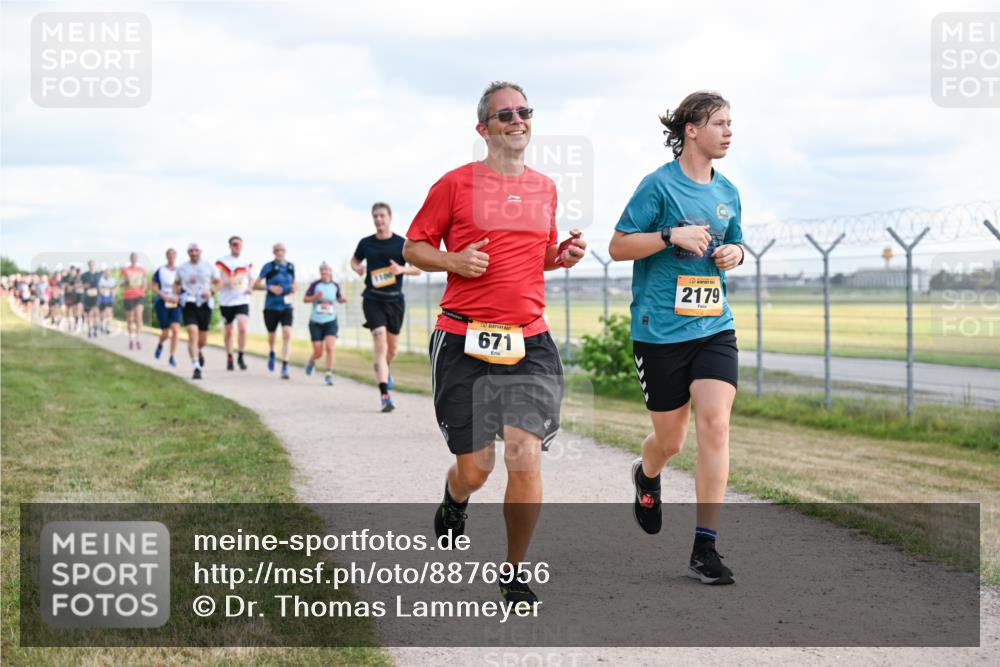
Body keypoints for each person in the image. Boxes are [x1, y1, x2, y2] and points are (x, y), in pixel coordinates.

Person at [403, 81, 586, 605]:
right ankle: (454, 497)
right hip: (463, 338)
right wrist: (453, 261)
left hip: (528, 340)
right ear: (483, 128)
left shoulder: (545, 188)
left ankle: (513, 571)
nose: (517, 120)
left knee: (525, 455)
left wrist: (562, 255)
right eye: (505, 114)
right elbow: (415, 247)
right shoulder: (455, 185)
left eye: (525, 111)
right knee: (477, 467)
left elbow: (537, 255)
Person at [608, 90, 744, 586]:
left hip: (714, 328)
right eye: (720, 123)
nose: (729, 131)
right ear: (691, 129)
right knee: (671, 441)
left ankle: (704, 548)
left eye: (732, 123)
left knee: (716, 425)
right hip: (660, 333)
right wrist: (669, 237)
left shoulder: (728, 191)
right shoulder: (657, 187)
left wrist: (736, 255)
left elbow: (734, 242)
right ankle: (647, 474)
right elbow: (619, 245)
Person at [352, 203, 421, 411]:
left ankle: (385, 367)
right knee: (380, 343)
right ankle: (385, 396)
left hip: (395, 302)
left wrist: (401, 269)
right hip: (373, 299)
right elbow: (354, 260)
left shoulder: (401, 244)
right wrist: (358, 268)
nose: (379, 219)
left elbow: (417, 269)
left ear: (390, 217)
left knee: (392, 350)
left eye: (382, 215)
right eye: (375, 216)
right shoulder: (366, 243)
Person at [174, 243, 219, 380]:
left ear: (200, 252)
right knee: (192, 333)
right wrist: (176, 295)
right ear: (188, 252)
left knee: (202, 339)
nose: (194, 253)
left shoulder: (209, 266)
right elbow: (176, 283)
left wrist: (211, 291)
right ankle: (196, 366)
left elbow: (219, 282)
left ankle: (199, 350)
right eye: (191, 251)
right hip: (189, 303)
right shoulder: (182, 268)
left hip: (205, 304)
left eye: (196, 250)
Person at [254, 243, 296, 379]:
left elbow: (294, 282)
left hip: (287, 306)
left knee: (287, 333)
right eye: (277, 250)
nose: (279, 252)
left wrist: (294, 288)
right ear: (273, 252)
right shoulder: (268, 267)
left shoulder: (291, 266)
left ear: (285, 252)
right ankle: (272, 352)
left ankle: (285, 365)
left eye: (282, 250)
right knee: (272, 335)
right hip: (271, 307)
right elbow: (255, 285)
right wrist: (269, 287)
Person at [303, 262, 347, 386]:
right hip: (316, 321)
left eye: (326, 270)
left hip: (331, 321)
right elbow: (305, 299)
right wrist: (315, 297)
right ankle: (311, 361)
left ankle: (328, 374)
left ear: (330, 271)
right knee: (318, 352)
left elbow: (339, 298)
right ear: (320, 272)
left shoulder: (335, 285)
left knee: (330, 347)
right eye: (322, 270)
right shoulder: (315, 285)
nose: (324, 272)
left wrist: (342, 300)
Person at [215, 236, 254, 371]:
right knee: (229, 331)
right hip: (227, 301)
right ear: (230, 246)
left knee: (243, 327)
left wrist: (250, 287)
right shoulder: (222, 262)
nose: (237, 246)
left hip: (242, 299)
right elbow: (216, 281)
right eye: (234, 244)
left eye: (239, 244)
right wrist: (226, 282)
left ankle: (241, 356)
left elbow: (252, 279)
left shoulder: (246, 262)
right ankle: (230, 356)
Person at [151, 249, 182, 367]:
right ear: (166, 256)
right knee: (165, 333)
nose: (171, 257)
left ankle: (172, 356)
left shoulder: (180, 271)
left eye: (173, 254)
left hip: (175, 303)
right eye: (169, 255)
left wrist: (178, 296)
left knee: (175, 330)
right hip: (162, 302)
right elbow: (153, 286)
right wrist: (162, 295)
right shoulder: (161, 270)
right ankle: (160, 344)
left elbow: (183, 286)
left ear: (176, 256)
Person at [121, 252, 147, 350]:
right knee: (130, 319)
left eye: (135, 257)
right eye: (132, 257)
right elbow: (122, 283)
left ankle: (138, 338)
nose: (134, 259)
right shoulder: (125, 270)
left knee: (139, 316)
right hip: (128, 296)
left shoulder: (142, 270)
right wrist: (125, 283)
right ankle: (131, 339)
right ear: (130, 259)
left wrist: (144, 286)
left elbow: (145, 282)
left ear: (137, 259)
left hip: (139, 295)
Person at [80, 260, 101, 338]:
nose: (91, 266)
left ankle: (95, 328)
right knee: (89, 314)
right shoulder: (84, 275)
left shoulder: (98, 275)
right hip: (87, 296)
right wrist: (85, 285)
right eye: (90, 265)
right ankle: (90, 329)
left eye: (92, 264)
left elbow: (100, 285)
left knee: (95, 312)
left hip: (96, 296)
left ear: (94, 265)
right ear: (88, 265)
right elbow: (81, 285)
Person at [98, 269, 117, 334]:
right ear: (104, 274)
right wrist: (103, 291)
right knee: (103, 313)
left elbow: (114, 290)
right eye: (106, 273)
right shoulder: (101, 280)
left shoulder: (113, 280)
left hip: (110, 298)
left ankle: (108, 327)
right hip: (102, 298)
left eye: (109, 273)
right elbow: (100, 289)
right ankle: (102, 324)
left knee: (109, 312)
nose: (108, 274)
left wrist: (113, 296)